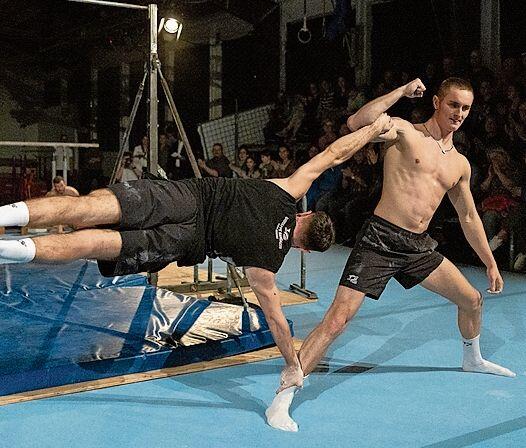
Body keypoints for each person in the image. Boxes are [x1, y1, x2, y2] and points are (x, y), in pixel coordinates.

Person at [0, 114, 391, 401]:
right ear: (303, 247)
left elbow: (333, 153)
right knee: (92, 245)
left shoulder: (288, 190)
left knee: (86, 208)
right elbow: (276, 322)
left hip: (188, 196)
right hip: (186, 241)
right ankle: (6, 249)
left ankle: (6, 216)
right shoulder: (266, 267)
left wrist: (373, 131)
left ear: (305, 214)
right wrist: (293, 364)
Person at [266, 77, 515, 432]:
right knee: (337, 320)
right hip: (380, 240)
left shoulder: (459, 163)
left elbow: (469, 216)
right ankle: (284, 396)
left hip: (418, 246)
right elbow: (356, 123)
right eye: (453, 105)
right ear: (436, 103)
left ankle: (472, 359)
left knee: (472, 300)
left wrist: (490, 263)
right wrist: (398, 93)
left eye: (465, 108)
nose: (459, 113)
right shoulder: (403, 131)